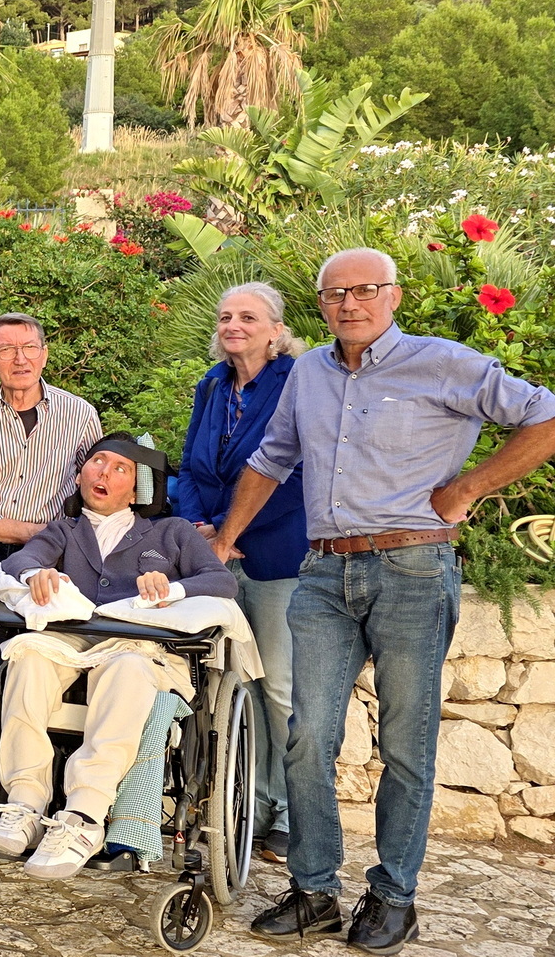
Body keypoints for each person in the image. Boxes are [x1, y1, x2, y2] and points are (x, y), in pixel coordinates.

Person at [219, 249, 555, 951]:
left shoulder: (444, 362)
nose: (350, 303)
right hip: (323, 574)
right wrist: (224, 542)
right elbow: (271, 459)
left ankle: (394, 896)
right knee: (309, 737)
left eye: (366, 290)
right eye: (335, 293)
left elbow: (545, 420)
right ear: (319, 305)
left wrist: (468, 489)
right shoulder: (307, 372)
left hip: (413, 569)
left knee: (407, 744)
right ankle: (313, 890)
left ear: (393, 296)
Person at [0, 435, 238, 879]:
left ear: (139, 486)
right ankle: (24, 801)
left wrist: (171, 589)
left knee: (128, 668)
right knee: (28, 659)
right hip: (71, 645)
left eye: (119, 468)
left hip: (137, 648)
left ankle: (83, 815)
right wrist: (35, 572)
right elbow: (21, 559)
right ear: (81, 474)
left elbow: (220, 581)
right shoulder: (64, 530)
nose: (103, 472)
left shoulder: (170, 532)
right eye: (97, 462)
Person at [171, 282, 307, 864]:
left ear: (275, 329)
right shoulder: (212, 384)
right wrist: (198, 527)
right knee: (233, 682)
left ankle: (286, 809)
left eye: (249, 317)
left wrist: (235, 531)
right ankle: (244, 798)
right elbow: (191, 466)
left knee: (278, 685)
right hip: (216, 555)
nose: (235, 325)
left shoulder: (299, 380)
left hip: (276, 553)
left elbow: (295, 470)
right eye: (226, 316)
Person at [0, 312, 102, 699]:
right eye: (7, 350)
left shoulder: (79, 415)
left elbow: (96, 491)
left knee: (53, 651)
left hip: (56, 558)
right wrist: (36, 532)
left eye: (29, 348)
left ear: (44, 354)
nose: (20, 359)